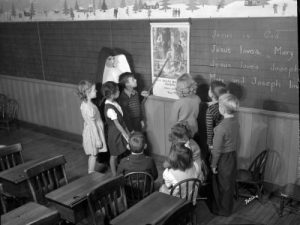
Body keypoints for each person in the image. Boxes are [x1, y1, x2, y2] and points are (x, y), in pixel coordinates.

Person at [211, 93, 239, 216]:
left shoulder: (220, 128)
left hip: (223, 159)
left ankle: (222, 210)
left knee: (223, 185)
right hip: (232, 156)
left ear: (222, 109)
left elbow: (216, 150)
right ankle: (227, 207)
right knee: (229, 184)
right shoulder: (235, 122)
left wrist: (213, 165)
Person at [77, 80, 107, 174]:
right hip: (93, 133)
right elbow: (93, 124)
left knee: (94, 154)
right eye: (94, 90)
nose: (96, 91)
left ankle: (91, 171)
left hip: (93, 130)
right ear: (87, 92)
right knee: (93, 154)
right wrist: (98, 139)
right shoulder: (88, 107)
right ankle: (91, 172)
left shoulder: (87, 104)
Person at [102, 81, 130, 176]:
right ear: (111, 94)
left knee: (123, 152)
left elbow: (121, 121)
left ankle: (123, 170)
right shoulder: (109, 108)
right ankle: (114, 175)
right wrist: (126, 135)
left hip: (121, 131)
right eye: (117, 90)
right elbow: (117, 124)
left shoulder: (114, 102)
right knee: (114, 155)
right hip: (115, 134)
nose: (119, 91)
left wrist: (127, 132)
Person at [170, 73, 200, 137]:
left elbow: (173, 122)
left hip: (181, 133)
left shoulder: (178, 103)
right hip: (194, 130)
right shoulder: (197, 99)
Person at [206, 80, 227, 150]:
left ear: (211, 94)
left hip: (215, 141)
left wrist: (210, 144)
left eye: (209, 89)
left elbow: (209, 129)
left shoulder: (210, 110)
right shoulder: (225, 105)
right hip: (224, 138)